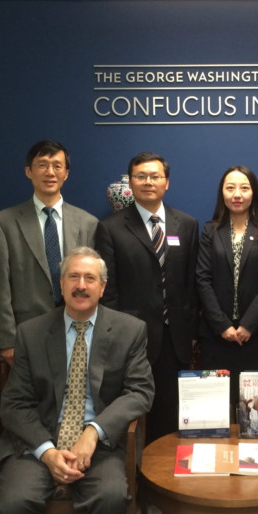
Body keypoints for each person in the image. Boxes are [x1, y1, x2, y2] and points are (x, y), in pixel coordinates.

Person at [0, 247, 154, 514]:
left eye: (90, 278)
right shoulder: (31, 333)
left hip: (101, 445)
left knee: (110, 498)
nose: (81, 285)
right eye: (73, 277)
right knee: (15, 504)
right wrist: (47, 451)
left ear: (102, 287)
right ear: (61, 284)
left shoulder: (129, 331)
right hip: (38, 441)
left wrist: (93, 432)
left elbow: (140, 391)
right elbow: (14, 403)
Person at [94, 152, 198, 441]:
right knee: (132, 414)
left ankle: (164, 464)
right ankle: (136, 465)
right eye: (140, 176)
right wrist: (116, 334)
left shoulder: (186, 224)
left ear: (167, 182)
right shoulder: (111, 227)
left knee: (170, 413)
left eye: (155, 176)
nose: (148, 182)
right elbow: (108, 290)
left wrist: (191, 331)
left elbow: (191, 282)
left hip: (175, 337)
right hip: (131, 337)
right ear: (131, 183)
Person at [0, 140, 98, 366]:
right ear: (29, 171)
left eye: (57, 166)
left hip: (78, 330)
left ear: (66, 173)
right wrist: (7, 340)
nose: (50, 172)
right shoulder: (4, 222)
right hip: (26, 333)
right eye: (42, 165)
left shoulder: (88, 223)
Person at [196, 165, 258, 405]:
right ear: (222, 193)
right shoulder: (210, 230)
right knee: (217, 404)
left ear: (254, 193)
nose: (237, 194)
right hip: (216, 334)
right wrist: (222, 325)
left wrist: (248, 325)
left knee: (254, 405)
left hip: (257, 333)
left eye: (244, 188)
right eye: (230, 188)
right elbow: (202, 279)